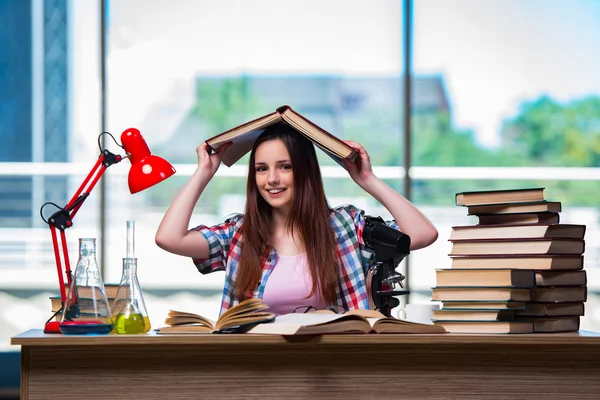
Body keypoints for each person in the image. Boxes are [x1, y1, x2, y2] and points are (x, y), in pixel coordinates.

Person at [155, 123, 438, 316]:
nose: (272, 179)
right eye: (262, 169)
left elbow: (422, 234)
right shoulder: (238, 234)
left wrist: (366, 179)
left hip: (331, 373)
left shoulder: (345, 226)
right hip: (255, 372)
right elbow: (169, 238)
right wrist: (204, 171)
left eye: (285, 167)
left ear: (304, 172)